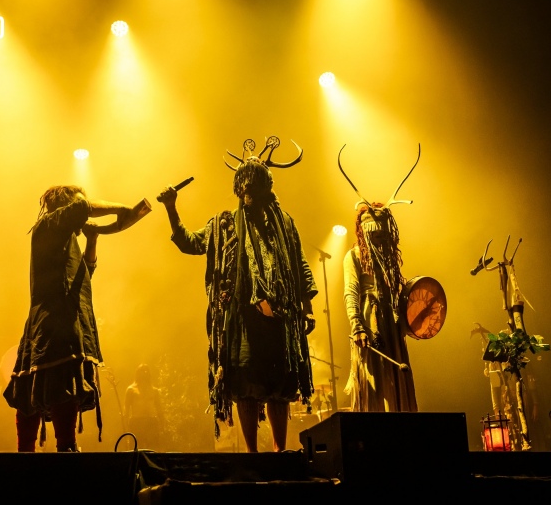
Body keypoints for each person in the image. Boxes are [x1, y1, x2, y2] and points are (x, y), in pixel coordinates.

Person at [157, 136, 317, 453]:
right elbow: (190, 242)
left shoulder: (284, 223)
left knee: (281, 385)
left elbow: (300, 265)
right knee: (246, 382)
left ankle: (279, 450)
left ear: (265, 187)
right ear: (238, 188)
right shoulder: (225, 224)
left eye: (254, 186)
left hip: (281, 316)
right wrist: (172, 208)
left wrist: (307, 307)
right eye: (244, 187)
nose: (248, 193)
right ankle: (254, 454)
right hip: (242, 319)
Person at [3, 185, 134, 452]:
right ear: (62, 208)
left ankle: (65, 448)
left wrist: (93, 239)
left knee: (60, 383)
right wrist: (122, 209)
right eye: (78, 209)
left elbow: (85, 273)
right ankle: (28, 454)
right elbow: (82, 208)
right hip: (53, 320)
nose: (84, 218)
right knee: (49, 383)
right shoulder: (48, 225)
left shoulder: (67, 241)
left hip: (67, 318)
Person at [342, 202, 418, 412]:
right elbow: (351, 291)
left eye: (382, 233)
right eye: (375, 233)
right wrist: (357, 326)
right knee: (374, 380)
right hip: (369, 324)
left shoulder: (388, 259)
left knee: (397, 378)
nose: (379, 237)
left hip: (391, 326)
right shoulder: (354, 256)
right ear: (365, 232)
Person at [124, 363, 165, 451]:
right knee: (136, 448)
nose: (144, 373)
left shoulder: (154, 391)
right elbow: (126, 409)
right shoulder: (131, 390)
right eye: (142, 371)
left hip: (151, 422)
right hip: (136, 422)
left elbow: (159, 409)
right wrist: (126, 425)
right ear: (138, 373)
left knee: (152, 449)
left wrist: (163, 424)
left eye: (146, 371)